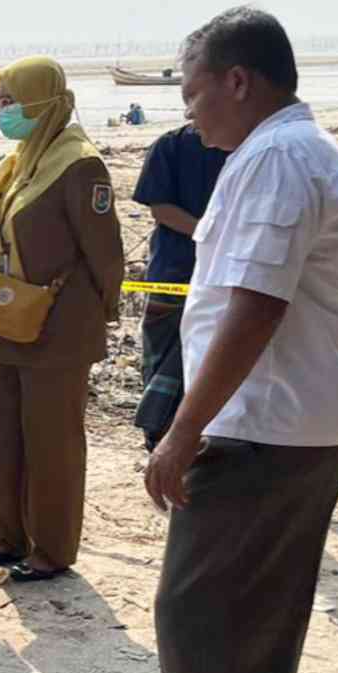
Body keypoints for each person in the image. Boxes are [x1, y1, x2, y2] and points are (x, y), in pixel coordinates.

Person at [138, 6, 338, 673]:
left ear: (241, 80)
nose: (190, 110)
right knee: (261, 620)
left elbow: (256, 305)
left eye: (196, 91)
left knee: (196, 616)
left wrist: (182, 431)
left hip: (265, 428)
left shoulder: (278, 158)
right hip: (299, 421)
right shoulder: (283, 152)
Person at [0, 57, 125, 582]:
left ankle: (51, 549)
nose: (4, 111)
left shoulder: (80, 165)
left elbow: (106, 253)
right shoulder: (23, 162)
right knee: (6, 434)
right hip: (13, 317)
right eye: (1, 102)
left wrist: (99, 314)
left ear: (45, 101)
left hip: (60, 327)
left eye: (13, 101)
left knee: (52, 441)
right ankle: (7, 539)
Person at [131, 122, 230, 448]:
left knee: (212, 359)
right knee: (163, 358)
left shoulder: (247, 146)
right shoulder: (169, 146)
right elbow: (160, 209)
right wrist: (210, 235)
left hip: (226, 275)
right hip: (174, 272)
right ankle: (157, 434)